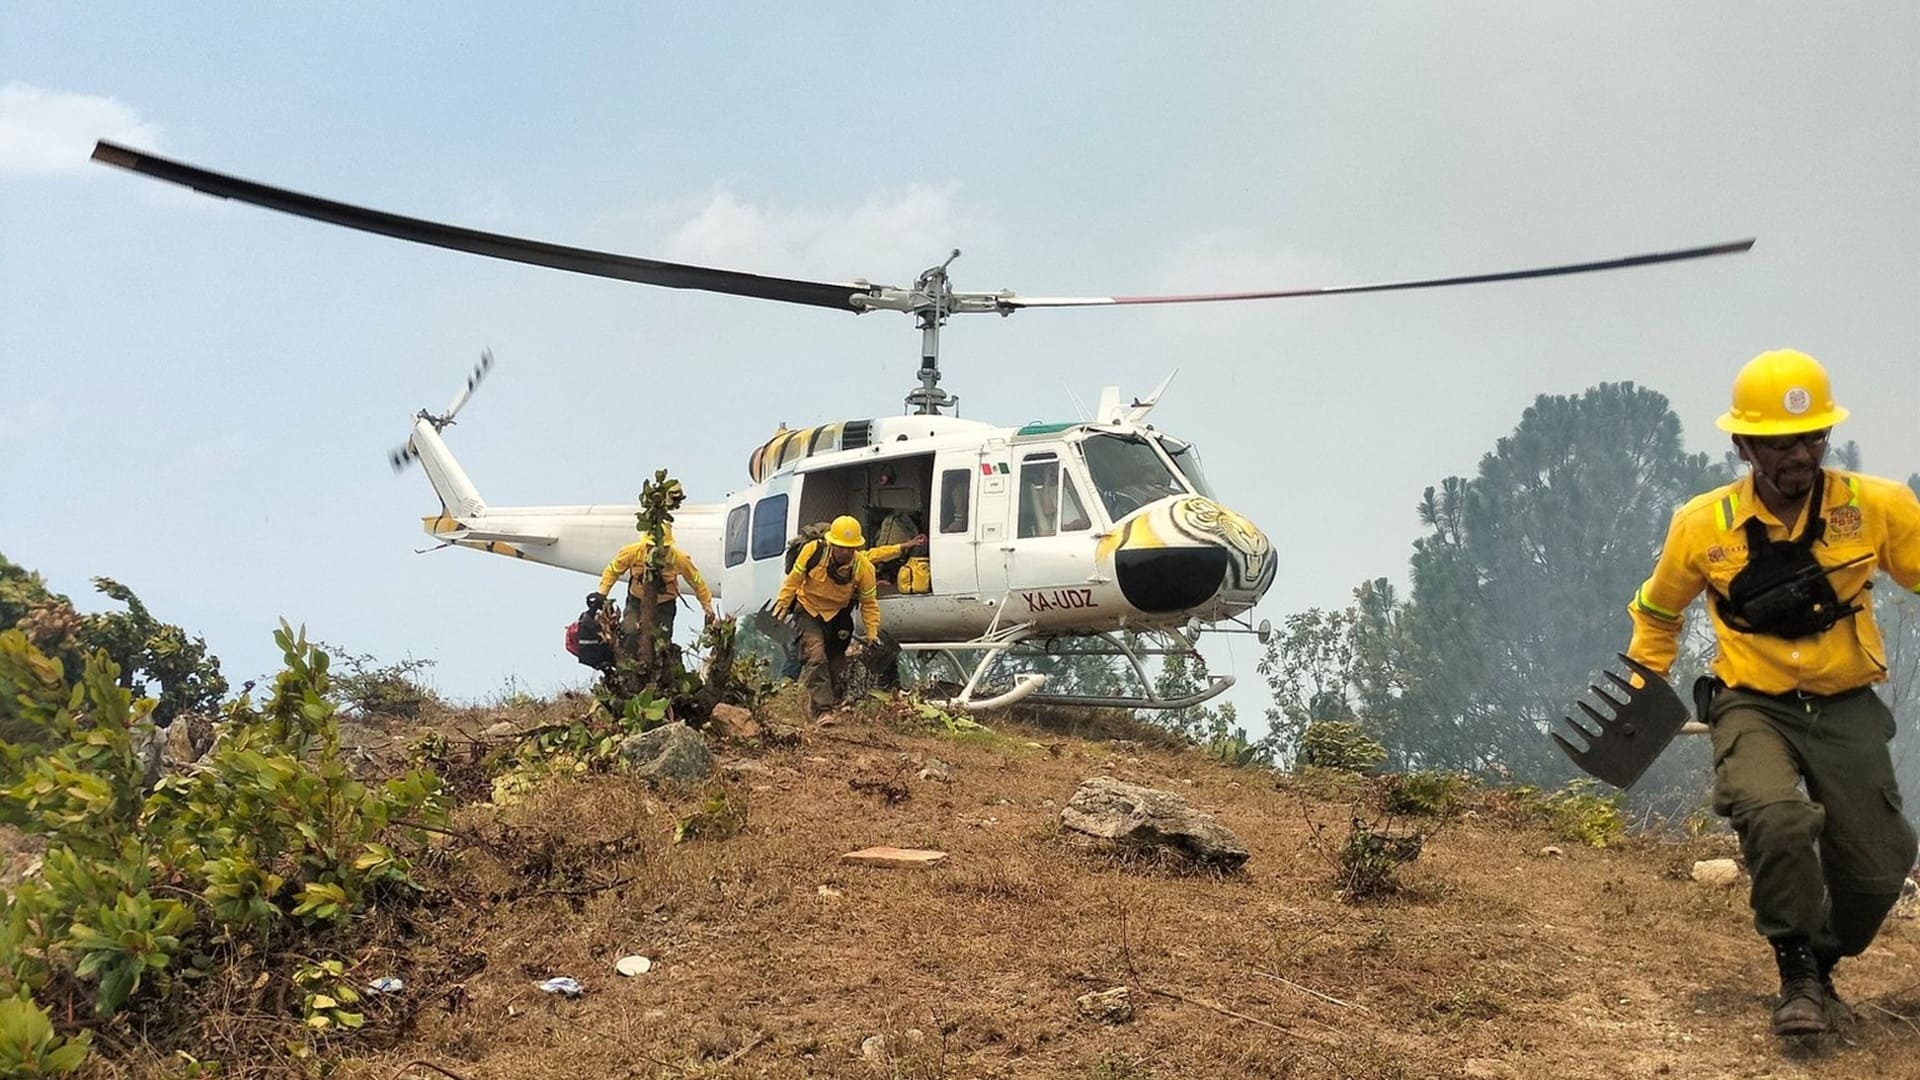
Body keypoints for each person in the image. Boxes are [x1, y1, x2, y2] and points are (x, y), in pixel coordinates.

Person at [1624, 349, 1920, 1037]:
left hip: (1846, 703)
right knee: (1776, 818)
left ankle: (1820, 958)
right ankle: (1796, 975)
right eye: (1782, 443)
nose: (1800, 456)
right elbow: (1659, 607)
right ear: (1745, 445)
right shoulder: (1704, 524)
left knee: (1880, 867)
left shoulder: (1875, 508)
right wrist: (1646, 678)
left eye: (1813, 439)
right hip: (1751, 703)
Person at [772, 514, 884, 715]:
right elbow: (794, 579)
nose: (845, 552)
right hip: (807, 609)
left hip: (838, 614)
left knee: (836, 664)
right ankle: (824, 711)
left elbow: (869, 604)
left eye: (850, 548)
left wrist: (872, 633)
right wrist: (782, 602)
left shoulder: (864, 568)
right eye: (840, 546)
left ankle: (815, 706)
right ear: (831, 543)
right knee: (816, 657)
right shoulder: (813, 551)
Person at [594, 482, 716, 649]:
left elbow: (697, 582)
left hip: (665, 605)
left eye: (662, 548)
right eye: (652, 547)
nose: (657, 551)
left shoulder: (678, 558)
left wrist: (707, 607)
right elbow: (612, 570)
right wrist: (602, 593)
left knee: (661, 643)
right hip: (636, 601)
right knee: (629, 634)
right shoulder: (633, 552)